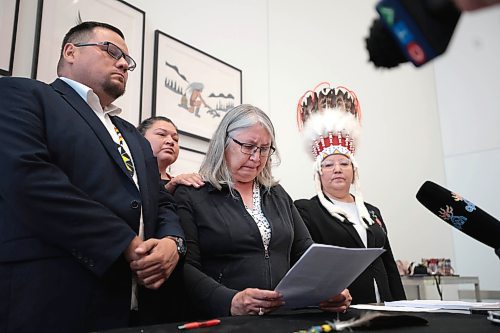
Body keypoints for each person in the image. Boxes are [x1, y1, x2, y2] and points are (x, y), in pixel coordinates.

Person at [0, 21, 184, 332]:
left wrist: (172, 243)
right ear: (70, 52)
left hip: (138, 307)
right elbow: (29, 178)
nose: (124, 62)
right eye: (112, 51)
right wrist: (124, 241)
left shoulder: (134, 137)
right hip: (52, 298)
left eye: (127, 59)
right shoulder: (21, 94)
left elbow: (162, 202)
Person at [174, 104, 352, 319]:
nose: (256, 158)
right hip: (223, 321)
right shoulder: (192, 194)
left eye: (265, 149)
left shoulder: (277, 194)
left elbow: (305, 251)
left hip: (284, 318)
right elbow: (185, 268)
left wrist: (330, 287)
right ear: (223, 143)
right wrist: (229, 300)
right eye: (248, 147)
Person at [294, 83, 406, 305]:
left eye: (344, 163)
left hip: (384, 307)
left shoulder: (372, 212)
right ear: (318, 173)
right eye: (328, 165)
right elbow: (310, 265)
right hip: (343, 307)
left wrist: (402, 306)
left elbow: (389, 264)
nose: (337, 169)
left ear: (354, 171)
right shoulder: (306, 210)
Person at [137, 116, 204, 193]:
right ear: (140, 138)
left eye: (175, 139)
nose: (171, 141)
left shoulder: (181, 185)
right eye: (161, 134)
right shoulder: (130, 179)